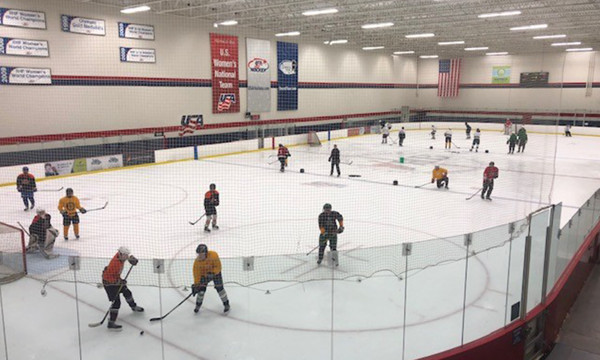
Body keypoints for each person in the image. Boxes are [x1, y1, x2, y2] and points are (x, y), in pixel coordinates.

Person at [102, 247, 143, 331]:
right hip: (109, 284)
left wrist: (131, 258)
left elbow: (126, 257)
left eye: (126, 255)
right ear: (120, 254)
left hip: (116, 279)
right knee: (116, 303)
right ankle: (111, 322)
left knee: (127, 293)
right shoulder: (115, 264)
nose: (126, 257)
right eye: (125, 255)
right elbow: (109, 279)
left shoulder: (120, 256)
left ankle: (133, 306)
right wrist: (119, 282)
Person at [192, 244, 230, 314]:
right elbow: (196, 275)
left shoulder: (213, 255)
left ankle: (226, 304)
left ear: (206, 253)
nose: (199, 256)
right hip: (204, 276)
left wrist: (213, 273)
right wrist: (196, 285)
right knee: (201, 291)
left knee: (220, 288)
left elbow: (218, 267)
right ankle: (198, 305)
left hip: (216, 274)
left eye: (201, 254)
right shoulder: (197, 262)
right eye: (198, 254)